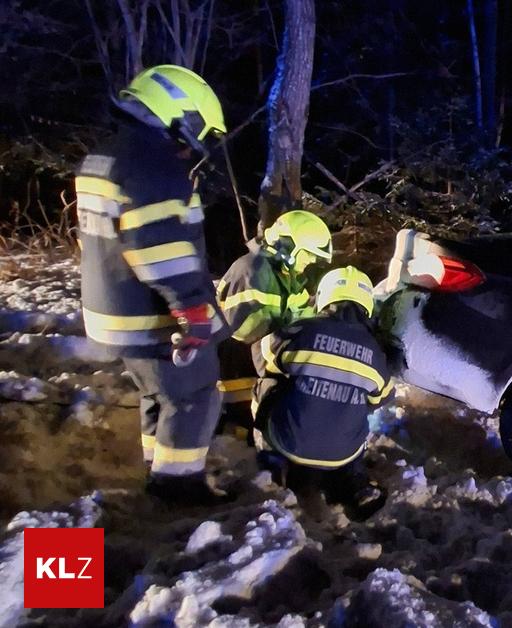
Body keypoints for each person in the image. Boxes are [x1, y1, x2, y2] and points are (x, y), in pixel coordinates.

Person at [75, 65, 229, 504]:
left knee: (159, 394)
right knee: (195, 395)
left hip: (112, 305)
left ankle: (158, 467)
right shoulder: (152, 164)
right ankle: (177, 488)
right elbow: (160, 250)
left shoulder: (106, 155)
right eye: (192, 135)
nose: (190, 148)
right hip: (150, 312)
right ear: (178, 115)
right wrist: (193, 310)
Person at [255, 266, 393, 520]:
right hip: (343, 454)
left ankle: (271, 461)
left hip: (288, 443)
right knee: (361, 407)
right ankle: (352, 482)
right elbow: (381, 399)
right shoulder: (375, 350)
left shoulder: (303, 330)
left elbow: (265, 357)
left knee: (267, 384)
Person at [215, 210, 332, 436]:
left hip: (256, 359)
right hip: (235, 366)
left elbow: (303, 313)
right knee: (245, 426)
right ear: (287, 245)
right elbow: (247, 332)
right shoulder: (252, 270)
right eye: (307, 254)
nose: (310, 262)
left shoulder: (286, 275)